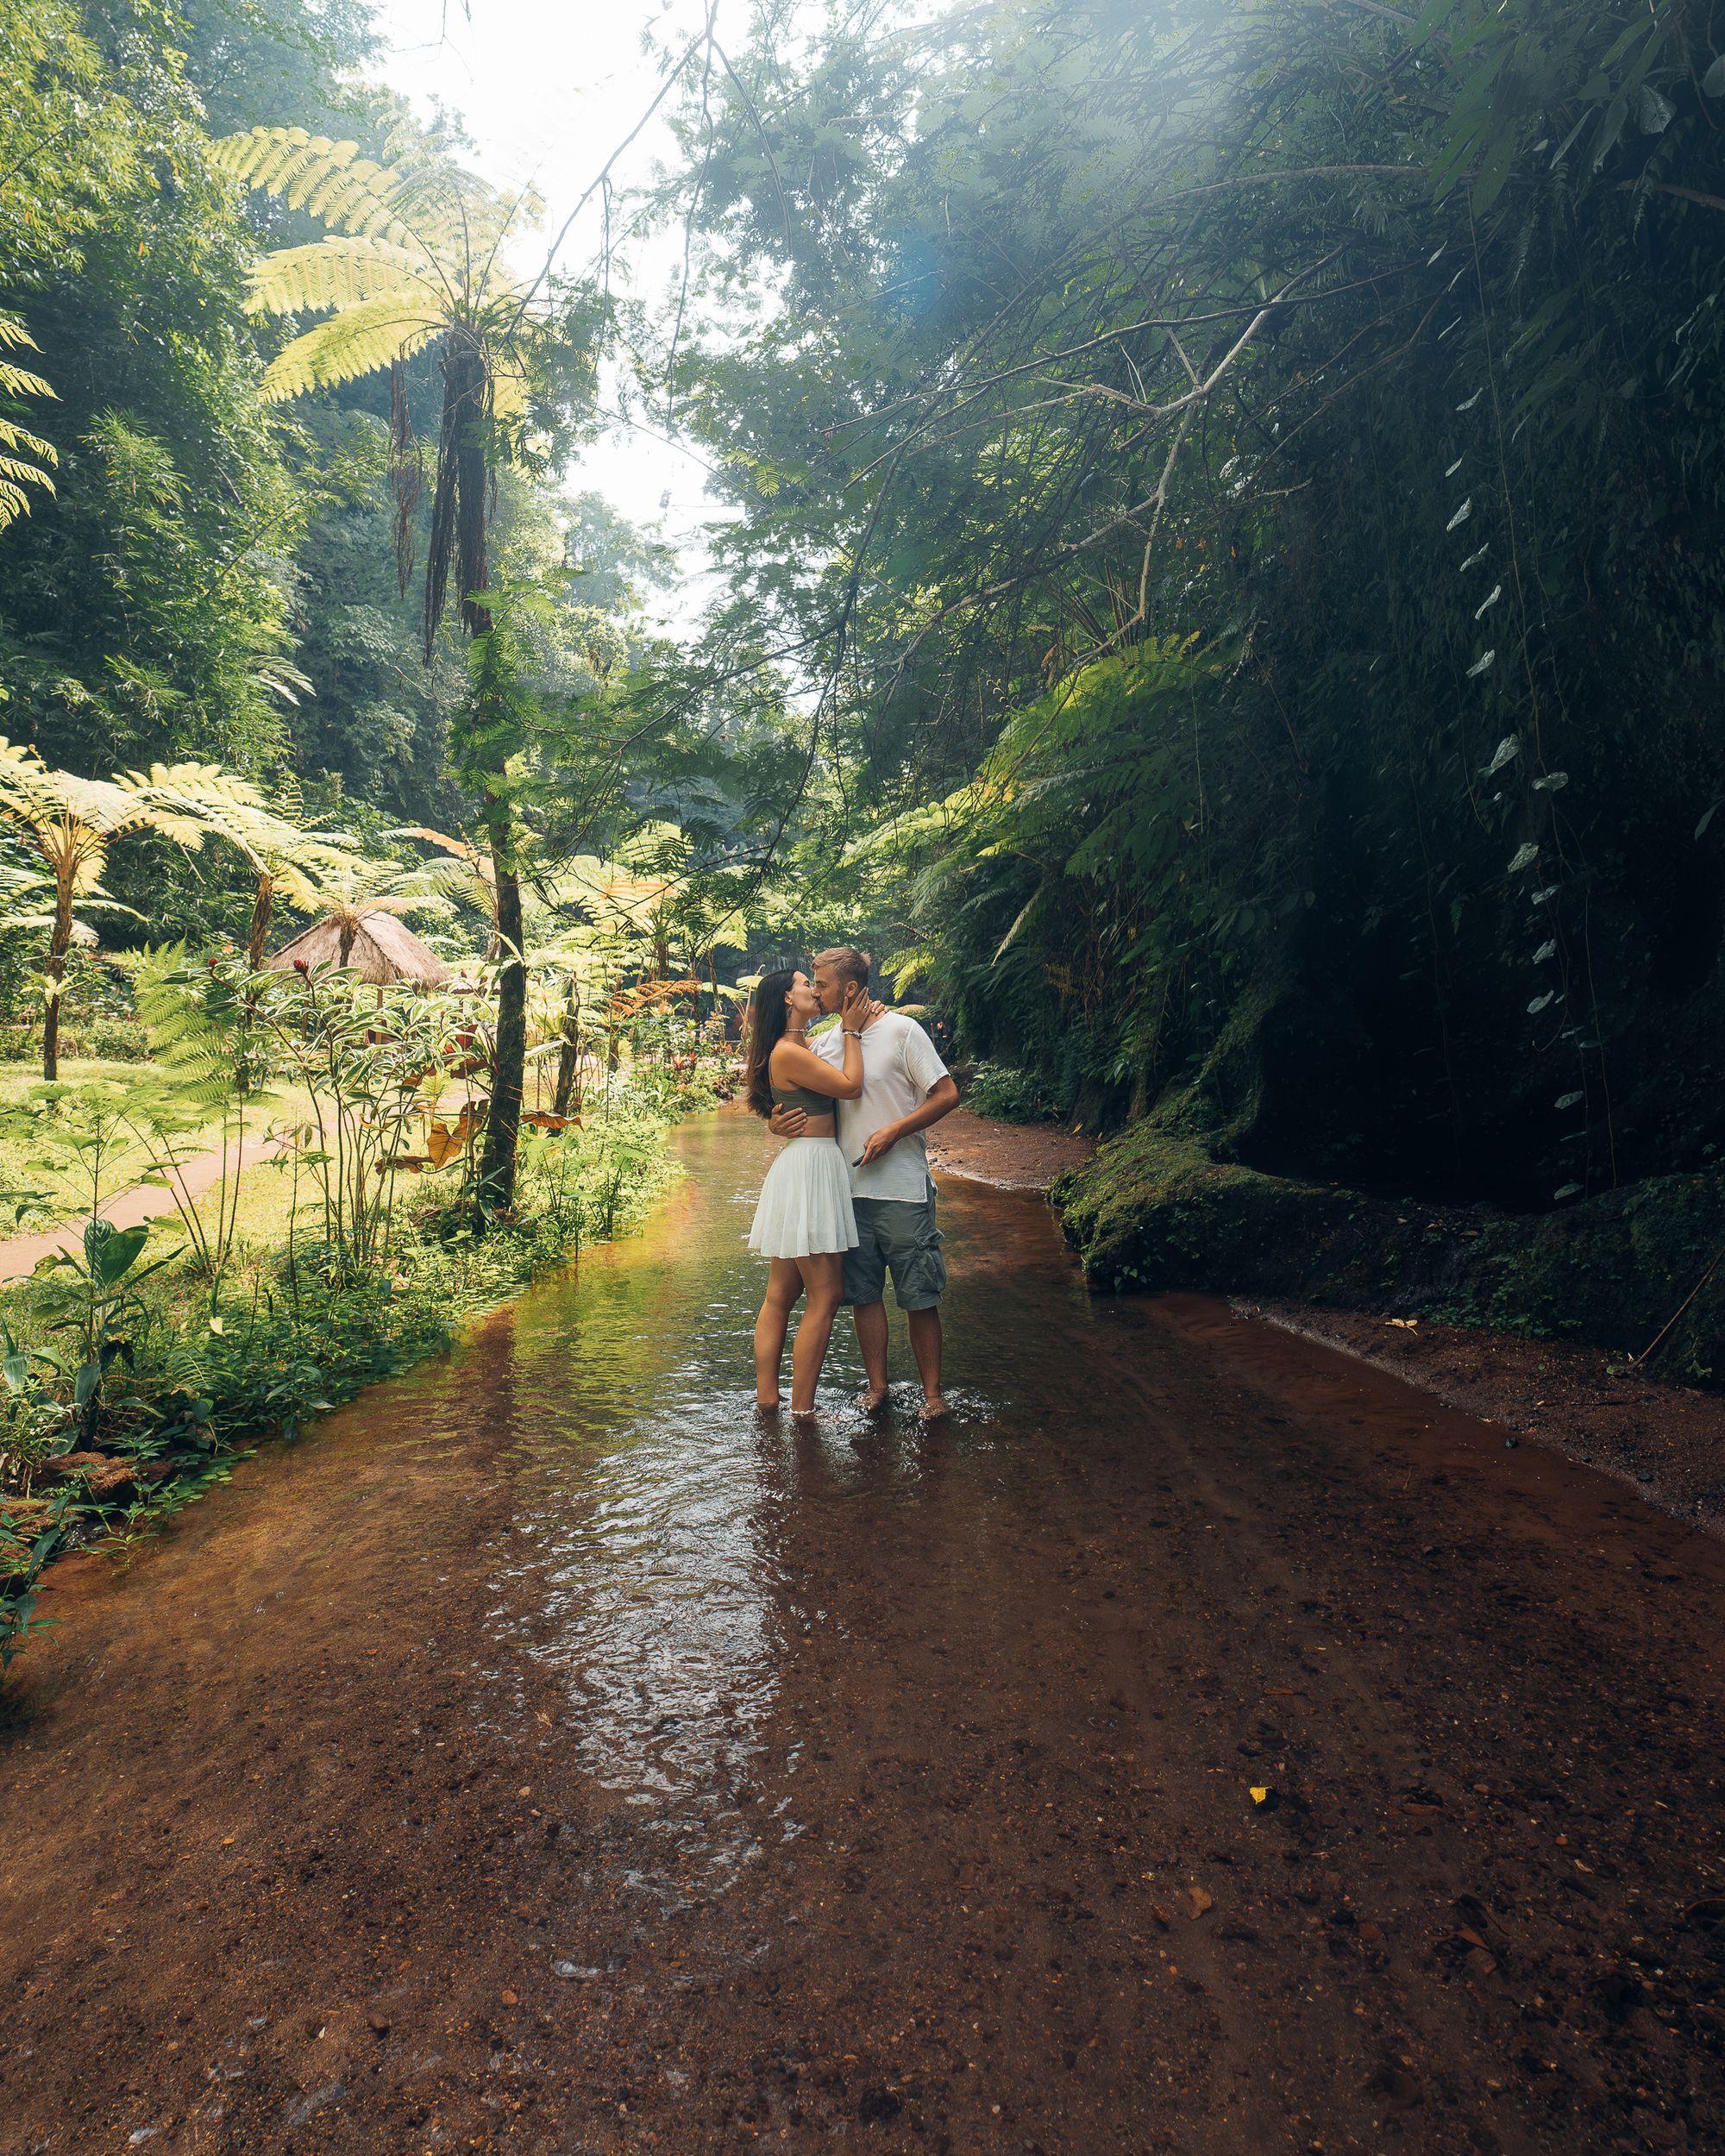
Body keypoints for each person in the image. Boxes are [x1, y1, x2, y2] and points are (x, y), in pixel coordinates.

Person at [771, 947, 959, 1417]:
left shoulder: (901, 1031)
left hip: (903, 1189)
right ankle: (878, 1389)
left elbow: (948, 1093)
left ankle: (933, 1396)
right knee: (864, 1297)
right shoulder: (829, 1042)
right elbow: (785, 1081)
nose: (815, 991)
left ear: (850, 988)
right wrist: (774, 1122)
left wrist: (896, 1130)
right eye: (811, 984)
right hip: (847, 1193)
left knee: (919, 1295)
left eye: (823, 985)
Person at [743, 967, 868, 1413]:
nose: (814, 990)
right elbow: (851, 1087)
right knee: (827, 1294)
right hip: (811, 1167)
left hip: (805, 1166)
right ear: (787, 1000)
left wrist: (858, 1022)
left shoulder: (799, 1047)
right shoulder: (788, 1052)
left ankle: (768, 1402)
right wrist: (851, 1030)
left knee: (782, 1295)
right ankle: (802, 1409)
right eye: (805, 985)